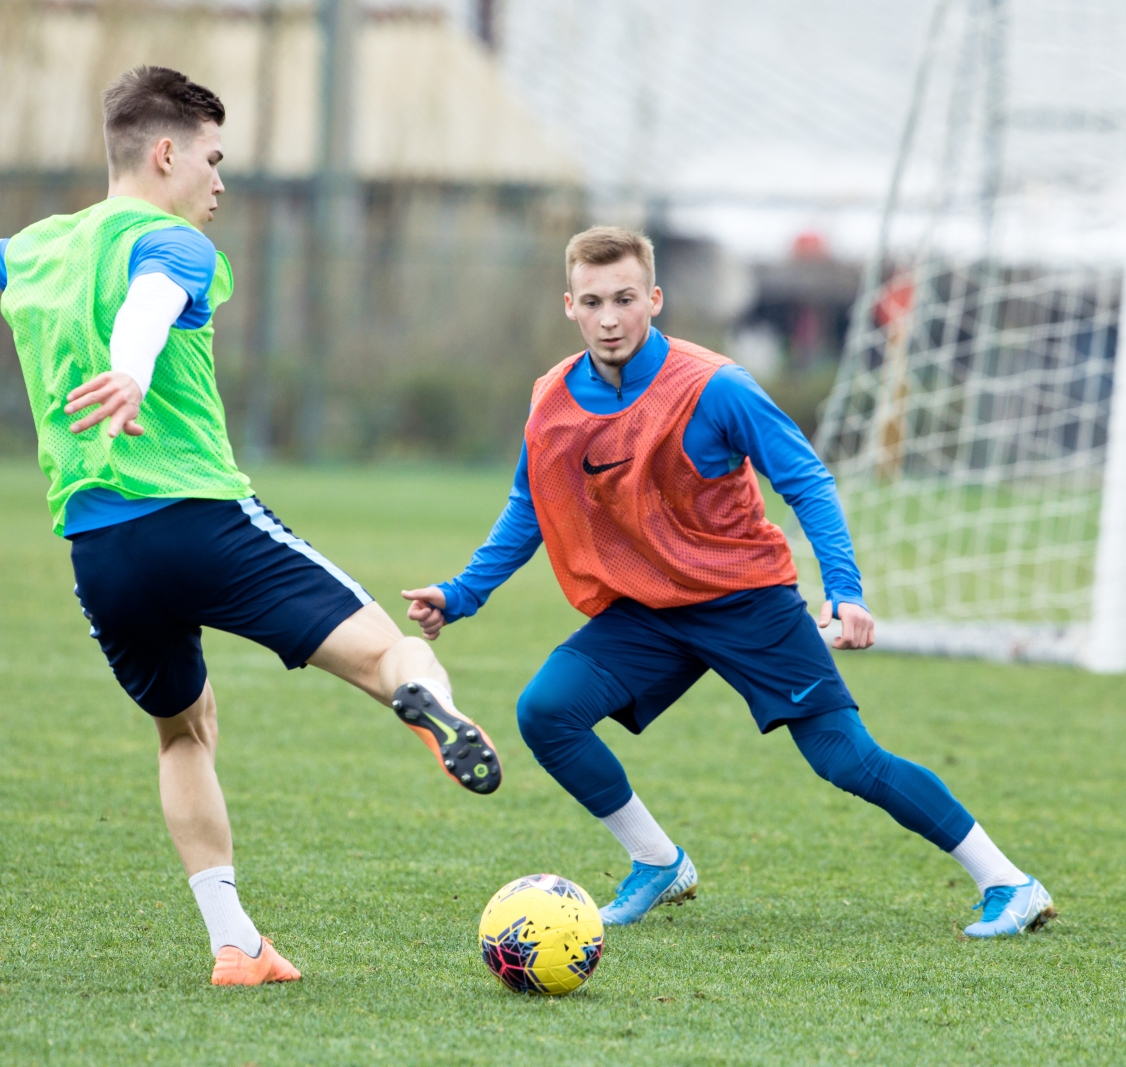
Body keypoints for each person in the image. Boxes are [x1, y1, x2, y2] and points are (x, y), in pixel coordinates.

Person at [0, 66, 501, 986]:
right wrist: (134, 369)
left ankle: (235, 944)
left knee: (184, 732)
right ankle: (430, 703)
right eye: (214, 159)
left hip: (102, 549)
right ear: (164, 154)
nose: (220, 182)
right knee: (388, 653)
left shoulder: (37, 248)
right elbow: (149, 302)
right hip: (203, 522)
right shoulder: (175, 242)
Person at [401, 226, 1054, 939]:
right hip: (648, 609)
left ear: (655, 297)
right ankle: (656, 861)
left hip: (745, 598)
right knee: (547, 710)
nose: (611, 318)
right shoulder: (551, 398)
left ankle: (1008, 881)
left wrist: (845, 590)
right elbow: (531, 506)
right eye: (593, 302)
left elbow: (805, 480)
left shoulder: (715, 386)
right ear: (569, 306)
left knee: (845, 757)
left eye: (625, 298)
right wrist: (460, 593)